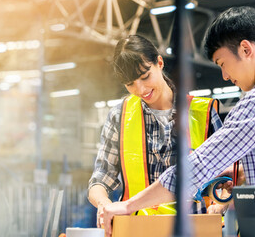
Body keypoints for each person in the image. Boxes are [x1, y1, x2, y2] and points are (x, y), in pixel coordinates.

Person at [98, 6, 255, 236]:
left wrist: (128, 206)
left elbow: (197, 168)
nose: (225, 76)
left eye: (223, 63)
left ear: (245, 49)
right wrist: (247, 170)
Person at [87, 35, 224, 227]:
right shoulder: (119, 116)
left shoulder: (204, 113)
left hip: (193, 227)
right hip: (136, 228)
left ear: (159, 62)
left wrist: (220, 205)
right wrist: (104, 204)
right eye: (130, 84)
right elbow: (101, 177)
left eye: (145, 77)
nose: (140, 89)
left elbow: (228, 177)